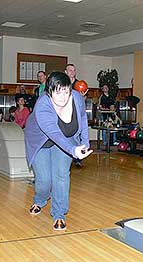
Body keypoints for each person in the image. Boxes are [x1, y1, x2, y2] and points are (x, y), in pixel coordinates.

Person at [24, 71, 92, 231]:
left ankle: (59, 213)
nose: (63, 96)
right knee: (44, 181)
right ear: (49, 91)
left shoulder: (77, 98)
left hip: (66, 138)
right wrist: (73, 150)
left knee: (61, 175)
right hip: (41, 140)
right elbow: (54, 134)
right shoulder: (42, 105)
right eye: (58, 92)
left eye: (66, 91)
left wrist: (85, 142)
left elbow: (82, 118)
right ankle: (40, 199)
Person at [65, 63, 88, 167]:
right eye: (70, 70)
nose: (72, 72)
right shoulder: (62, 83)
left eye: (74, 70)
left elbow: (83, 101)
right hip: (65, 112)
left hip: (76, 112)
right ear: (66, 72)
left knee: (77, 134)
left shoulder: (80, 84)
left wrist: (83, 97)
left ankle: (78, 157)